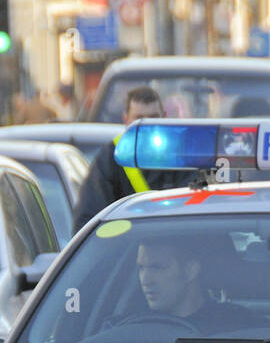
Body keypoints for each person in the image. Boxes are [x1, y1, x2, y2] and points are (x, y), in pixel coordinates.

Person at [72, 85, 192, 233]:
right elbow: (89, 220)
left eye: (153, 118)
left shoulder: (182, 156)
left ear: (164, 117)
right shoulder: (111, 158)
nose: (147, 126)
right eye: (139, 119)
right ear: (126, 120)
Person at [135, 239, 252, 332]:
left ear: (191, 270)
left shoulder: (239, 324)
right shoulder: (136, 327)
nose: (145, 280)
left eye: (157, 268)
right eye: (141, 268)